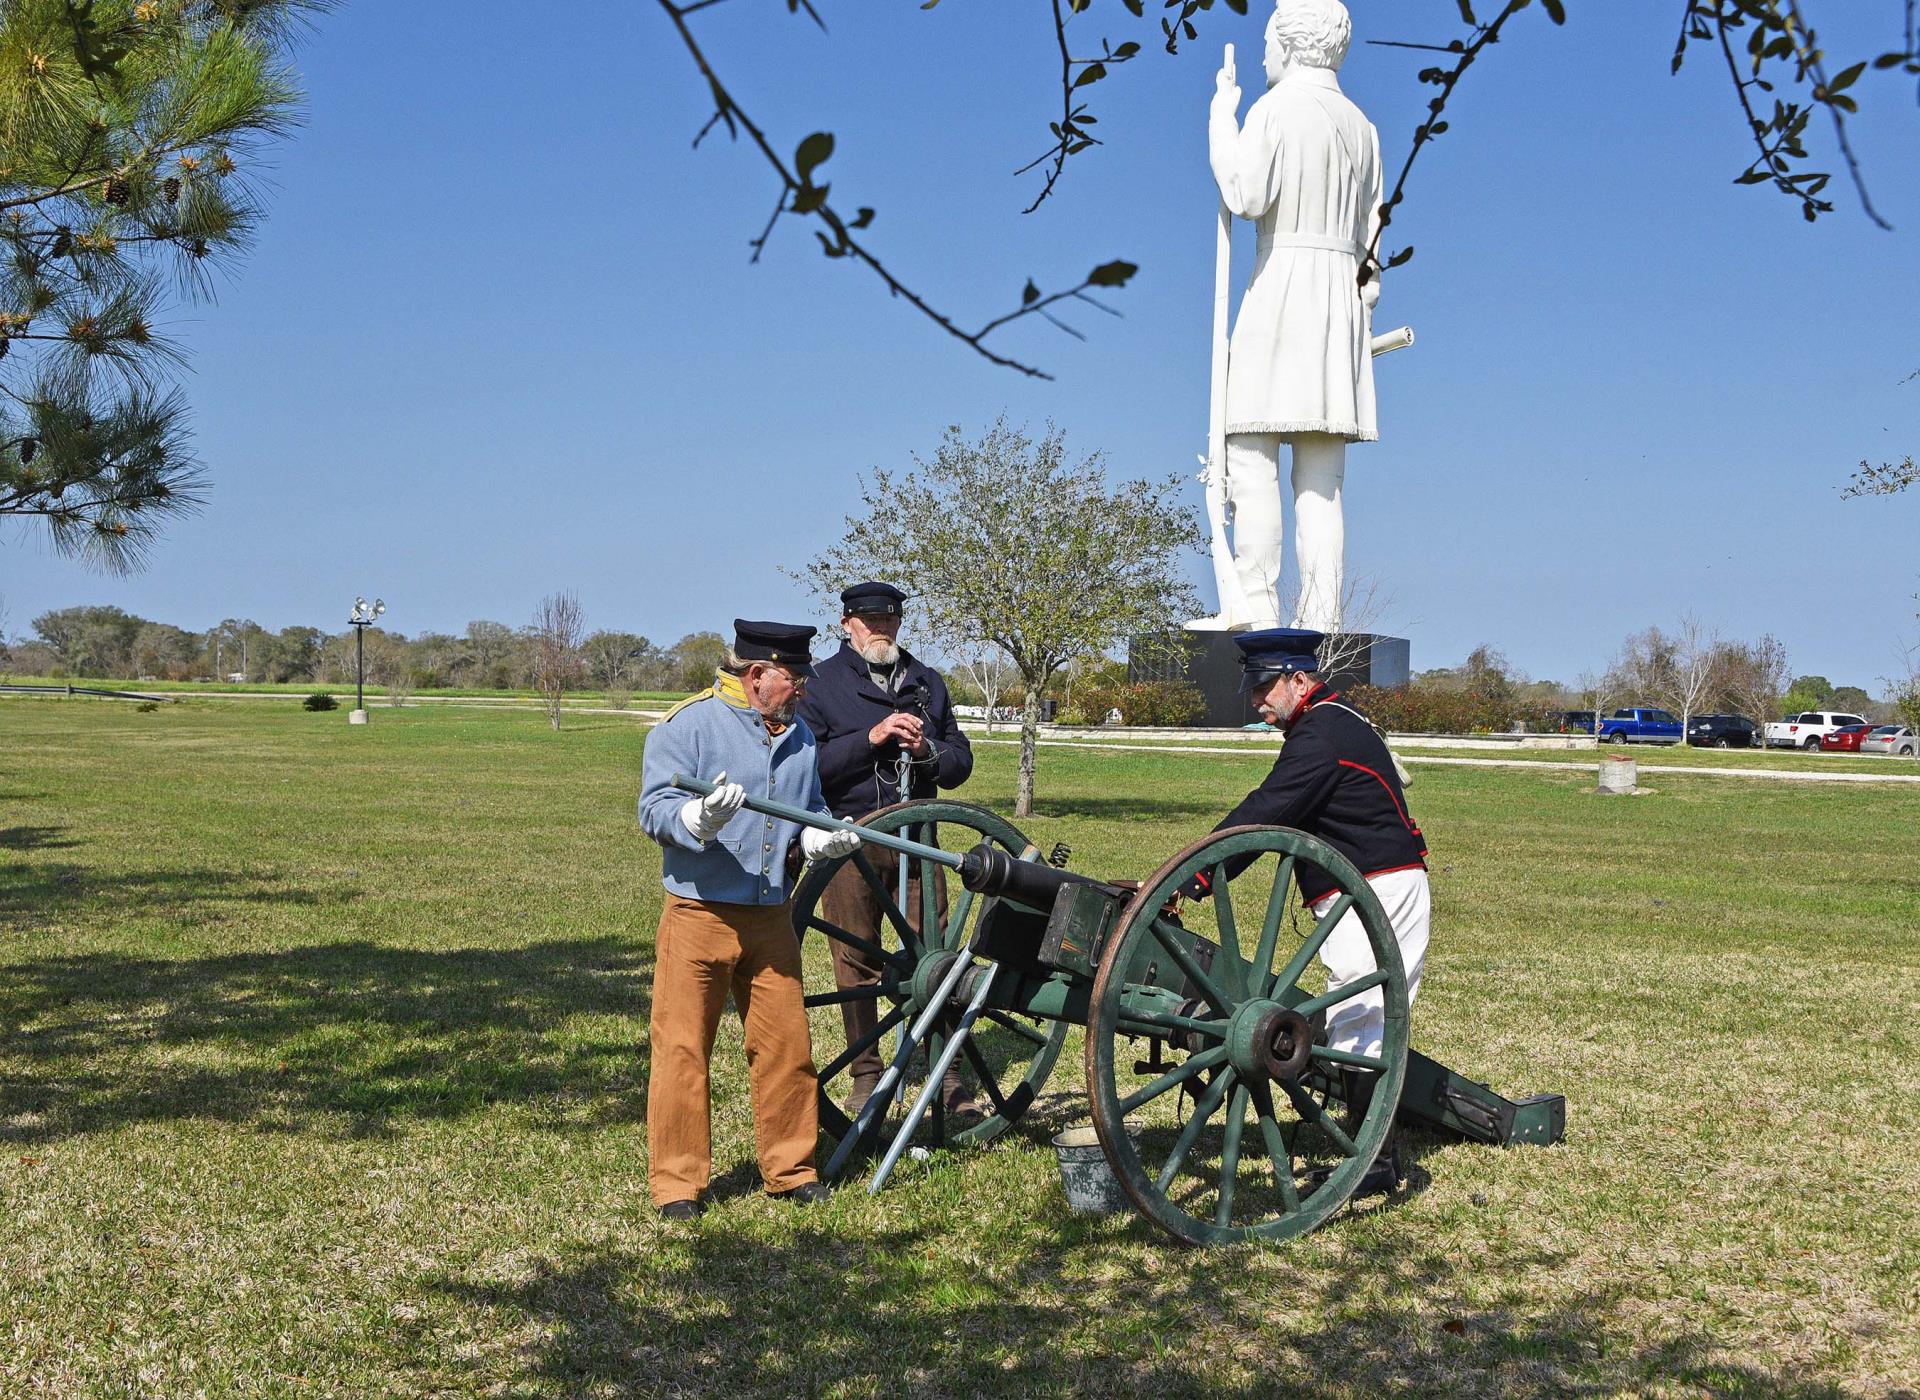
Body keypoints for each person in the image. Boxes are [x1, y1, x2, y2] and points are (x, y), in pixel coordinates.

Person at [1180, 627, 1428, 1187]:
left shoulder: (1323, 733)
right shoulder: (1327, 722)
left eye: (1266, 687)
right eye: (1254, 689)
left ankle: (1377, 1165)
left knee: (1364, 1018)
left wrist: (1193, 875)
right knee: (1356, 1016)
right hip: (1359, 889)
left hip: (1382, 887)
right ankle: (1372, 1151)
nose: (1256, 700)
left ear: (1298, 679)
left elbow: (1268, 810)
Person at [636, 619, 862, 1220]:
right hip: (698, 914)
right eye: (794, 677)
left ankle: (791, 1169)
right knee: (683, 1051)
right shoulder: (688, 725)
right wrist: (697, 819)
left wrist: (815, 838)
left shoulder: (802, 736)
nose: (803, 689)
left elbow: (811, 806)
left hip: (770, 916)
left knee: (786, 1048)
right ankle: (678, 1185)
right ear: (758, 674)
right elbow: (653, 808)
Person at [1208, 0, 1383, 631]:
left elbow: (1246, 194)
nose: (1261, 54)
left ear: (1289, 42)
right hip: (1338, 302)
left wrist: (1221, 122)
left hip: (1282, 287)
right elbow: (1374, 242)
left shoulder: (1274, 109)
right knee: (1322, 481)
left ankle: (1255, 613)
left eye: (1266, 40)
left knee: (1250, 450)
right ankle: (1323, 619)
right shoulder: (1363, 126)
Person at [796, 581, 976, 1118]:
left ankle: (947, 1079)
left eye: (889, 621)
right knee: (854, 960)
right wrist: (871, 738)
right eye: (870, 621)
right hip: (853, 839)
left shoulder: (927, 681)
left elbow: (960, 765)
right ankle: (867, 1073)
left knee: (937, 958)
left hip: (918, 843)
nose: (881, 630)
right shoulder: (821, 684)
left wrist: (927, 750)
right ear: (846, 624)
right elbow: (811, 767)